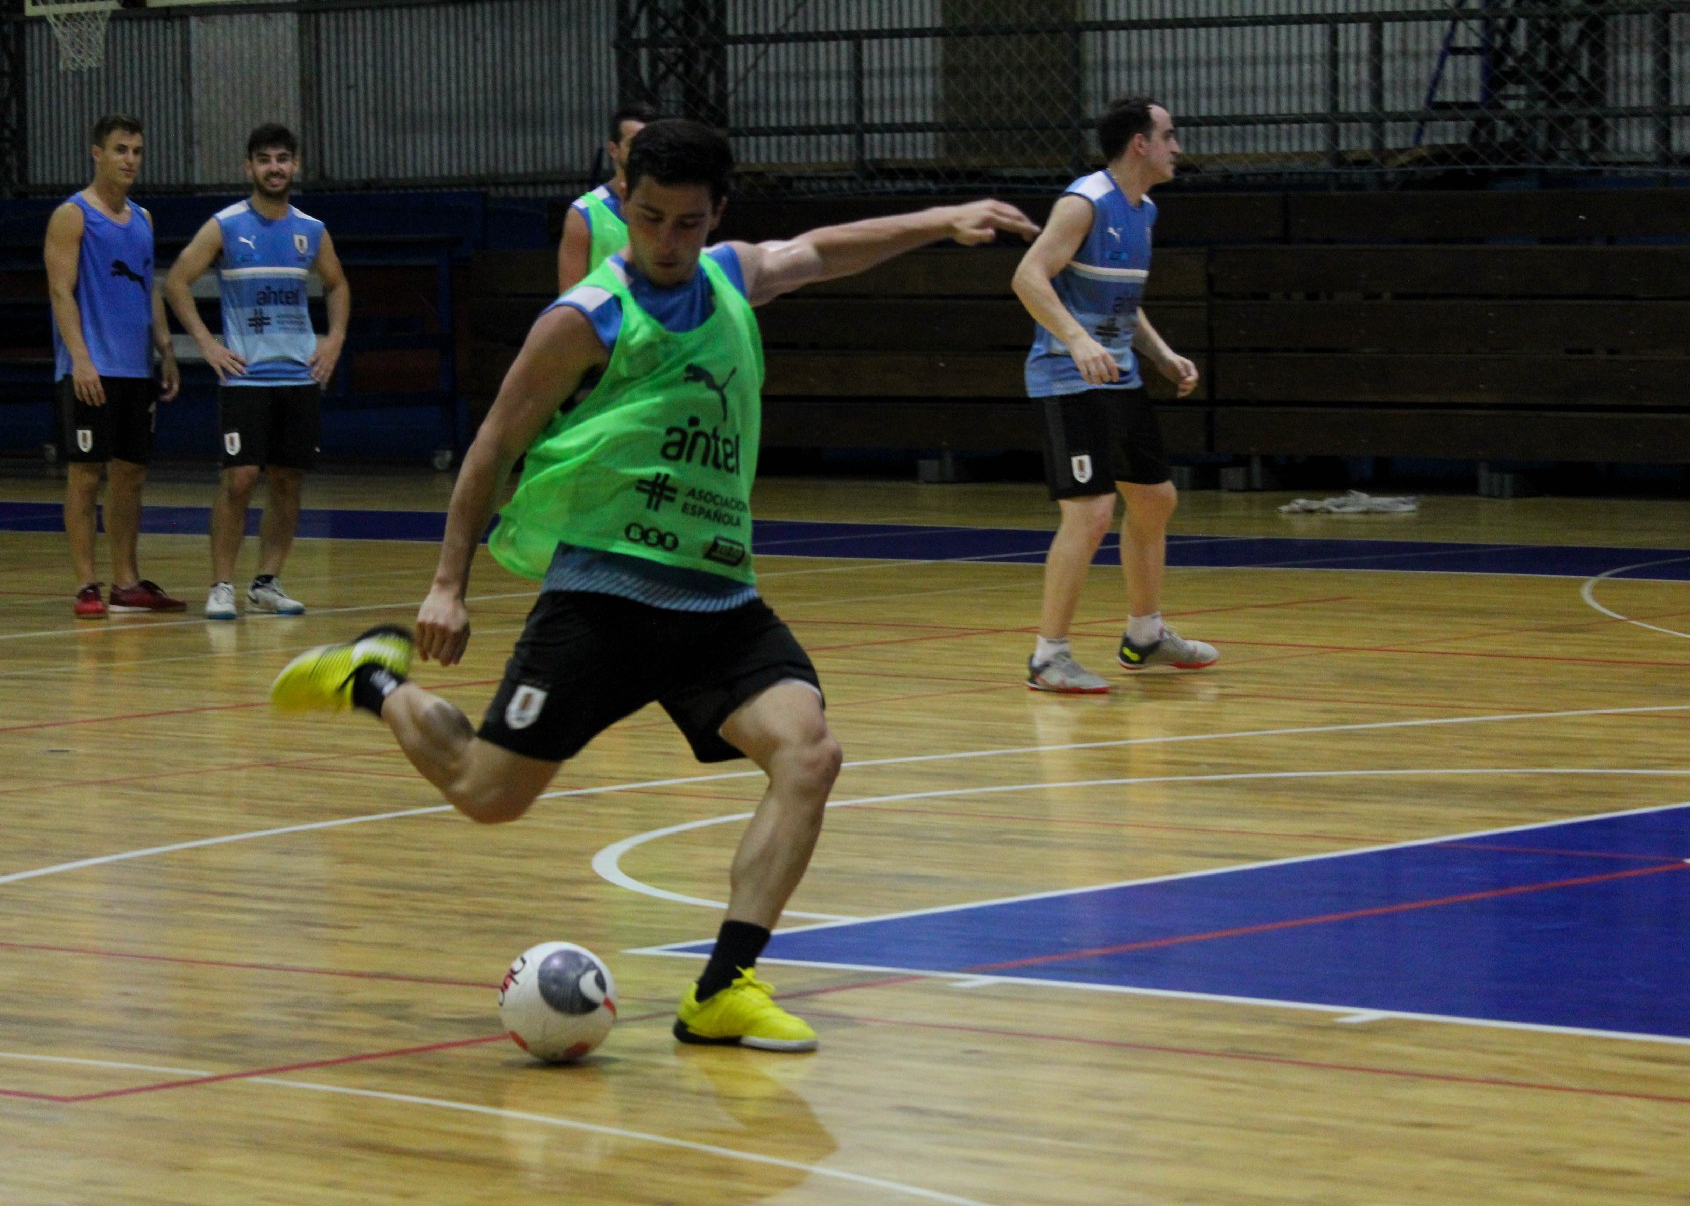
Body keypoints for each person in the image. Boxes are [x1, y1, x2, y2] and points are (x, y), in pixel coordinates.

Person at [269, 120, 1038, 1051]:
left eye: (687, 222)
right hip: (603, 596)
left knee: (809, 755)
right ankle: (371, 678)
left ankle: (722, 988)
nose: (667, 240)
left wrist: (942, 217)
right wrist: (446, 582)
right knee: (487, 793)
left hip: (717, 598)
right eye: (649, 217)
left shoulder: (729, 277)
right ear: (624, 201)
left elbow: (821, 250)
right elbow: (496, 441)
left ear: (717, 215)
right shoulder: (586, 316)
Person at [1012, 96, 1217, 694]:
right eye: (1169, 135)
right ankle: (1049, 656)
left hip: (1118, 376)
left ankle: (1145, 635)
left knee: (1154, 499)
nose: (1177, 147)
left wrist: (1160, 354)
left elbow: (1123, 300)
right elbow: (1027, 276)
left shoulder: (1143, 210)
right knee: (1091, 510)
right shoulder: (1084, 202)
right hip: (1066, 377)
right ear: (1139, 144)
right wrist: (1076, 340)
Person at [164, 123, 350, 621]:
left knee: (288, 480)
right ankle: (222, 585)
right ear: (249, 167)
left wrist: (334, 339)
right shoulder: (225, 225)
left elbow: (337, 285)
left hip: (299, 376)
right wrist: (207, 344)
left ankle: (266, 582)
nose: (274, 168)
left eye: (282, 159)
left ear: (295, 166)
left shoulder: (311, 230)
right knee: (241, 478)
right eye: (265, 159)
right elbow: (177, 281)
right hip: (245, 376)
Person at [44, 113, 185, 619]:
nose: (130, 160)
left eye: (137, 151)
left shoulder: (143, 219)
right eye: (121, 150)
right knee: (85, 475)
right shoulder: (73, 215)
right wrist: (81, 359)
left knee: (131, 474)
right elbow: (61, 291)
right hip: (90, 368)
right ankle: (87, 584)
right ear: (97, 153)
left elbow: (148, 287)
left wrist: (165, 349)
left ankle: (126, 582)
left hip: (134, 369)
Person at [556, 101, 661, 292]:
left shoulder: (673, 208)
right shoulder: (584, 214)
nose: (644, 151)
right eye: (634, 143)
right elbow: (570, 298)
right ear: (613, 150)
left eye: (650, 144)